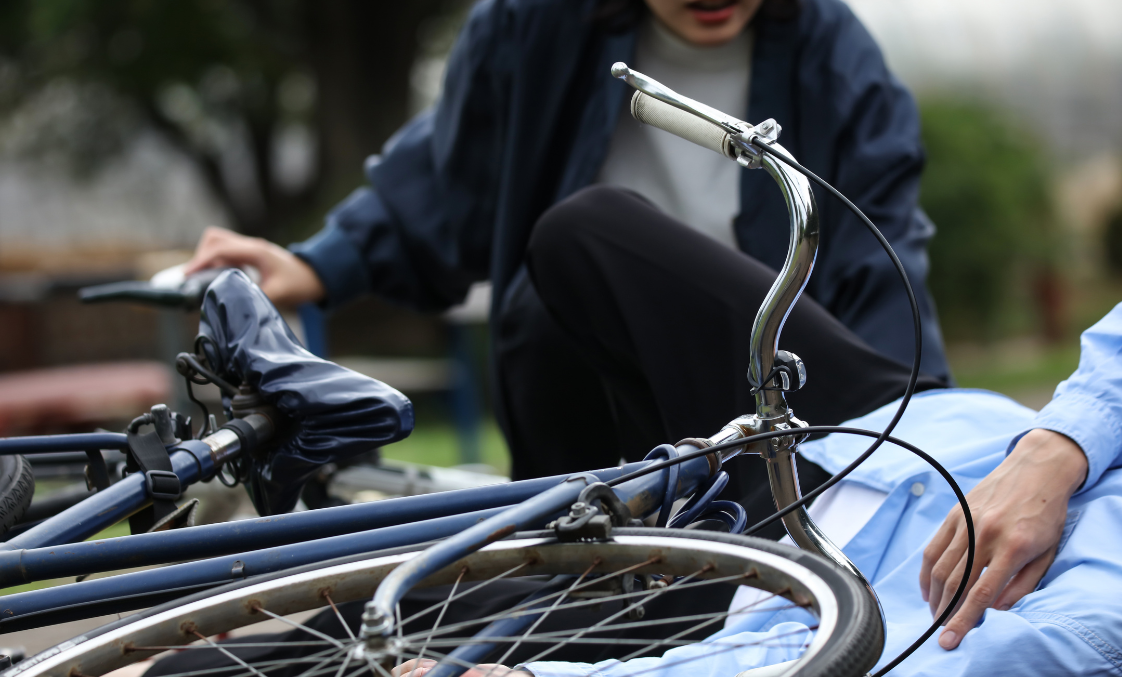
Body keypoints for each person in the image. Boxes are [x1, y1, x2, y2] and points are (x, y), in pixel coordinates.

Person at [181, 0, 951, 534]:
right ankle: (566, 553)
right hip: (587, 386)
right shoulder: (534, 25)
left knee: (580, 232)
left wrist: (929, 437)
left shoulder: (837, 57)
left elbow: (882, 254)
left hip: (770, 389)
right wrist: (319, 264)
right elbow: (453, 173)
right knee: (550, 284)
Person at [366, 304, 1122, 677]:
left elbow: (854, 670)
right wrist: (1058, 448)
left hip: (770, 590)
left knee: (380, 640)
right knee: (586, 233)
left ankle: (553, 572)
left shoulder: (1100, 632)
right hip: (886, 432)